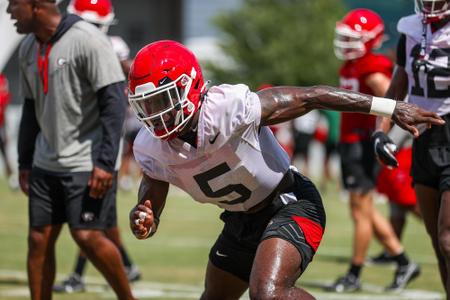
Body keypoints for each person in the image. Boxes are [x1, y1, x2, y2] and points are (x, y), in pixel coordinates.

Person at [127, 40, 442, 300]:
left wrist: (390, 107)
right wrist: (147, 213)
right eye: (147, 106)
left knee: (268, 294)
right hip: (241, 218)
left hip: (290, 202)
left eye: (160, 102)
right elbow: (154, 182)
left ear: (189, 88)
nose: (155, 116)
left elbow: (312, 96)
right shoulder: (150, 145)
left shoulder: (228, 108)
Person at [7, 0, 135, 299]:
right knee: (38, 239)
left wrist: (105, 162)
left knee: (87, 236)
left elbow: (113, 104)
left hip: (87, 162)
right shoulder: (28, 47)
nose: (9, 12)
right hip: (44, 162)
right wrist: (25, 162)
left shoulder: (89, 40)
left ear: (35, 6)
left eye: (14, 5)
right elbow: (30, 108)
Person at [328, 9, 421, 292]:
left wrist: (386, 136)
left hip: (362, 143)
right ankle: (403, 261)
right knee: (363, 209)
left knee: (361, 211)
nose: (346, 42)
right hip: (353, 142)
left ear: (370, 39)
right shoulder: (355, 63)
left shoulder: (370, 65)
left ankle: (354, 273)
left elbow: (390, 100)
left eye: (352, 36)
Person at [52, 0, 141, 292]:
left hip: (101, 148)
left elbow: (129, 78)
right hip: (85, 145)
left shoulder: (108, 46)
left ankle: (83, 276)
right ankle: (127, 266)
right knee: (98, 221)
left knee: (90, 222)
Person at [372, 1, 450, 297]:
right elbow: (397, 88)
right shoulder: (411, 30)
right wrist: (381, 132)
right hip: (424, 138)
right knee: (437, 242)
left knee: (447, 240)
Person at [369, 126, 422, 265]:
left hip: (402, 162)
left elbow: (389, 143)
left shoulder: (402, 114)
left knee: (407, 203)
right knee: (396, 209)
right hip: (395, 163)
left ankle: (441, 230)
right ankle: (391, 252)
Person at [0, 73, 14, 187]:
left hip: (1, 123)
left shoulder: (2, 79)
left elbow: (5, 100)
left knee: (5, 152)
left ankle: (11, 179)